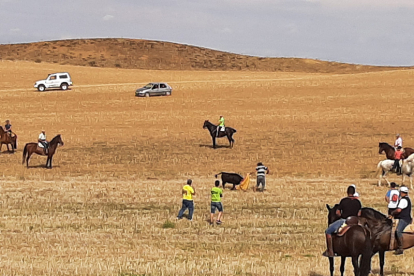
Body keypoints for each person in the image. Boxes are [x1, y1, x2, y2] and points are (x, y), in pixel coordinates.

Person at [323, 185, 362, 257]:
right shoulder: (358, 202)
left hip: (345, 221)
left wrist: (340, 215)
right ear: (354, 193)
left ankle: (330, 251)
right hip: (356, 221)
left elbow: (337, 213)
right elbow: (359, 214)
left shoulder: (344, 201)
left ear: (347, 192)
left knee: (328, 231)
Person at [388, 186, 412, 255]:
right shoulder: (407, 199)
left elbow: (399, 210)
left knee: (398, 231)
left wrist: (392, 213)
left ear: (401, 192)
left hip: (404, 219)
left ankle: (400, 248)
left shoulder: (403, 200)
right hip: (404, 218)